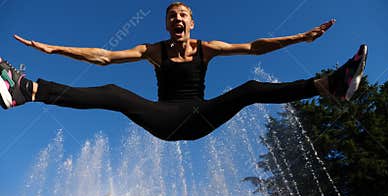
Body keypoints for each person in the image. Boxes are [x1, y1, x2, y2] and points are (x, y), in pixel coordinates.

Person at [0, 2, 367, 141]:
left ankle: (329, 85)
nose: (177, 19)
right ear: (166, 23)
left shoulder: (206, 48)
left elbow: (255, 46)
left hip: (200, 116)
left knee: (251, 87)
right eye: (171, 16)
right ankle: (28, 91)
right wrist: (56, 48)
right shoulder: (153, 50)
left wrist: (301, 38)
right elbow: (104, 56)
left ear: (192, 21)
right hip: (162, 119)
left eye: (182, 15)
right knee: (113, 91)